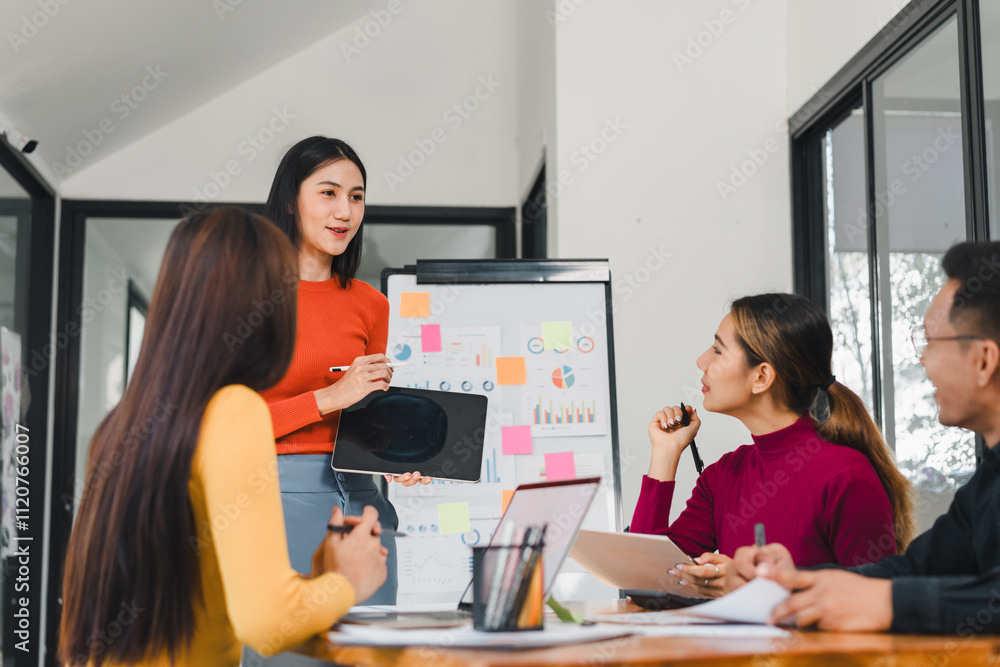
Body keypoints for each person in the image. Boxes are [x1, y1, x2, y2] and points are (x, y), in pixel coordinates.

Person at [58, 207, 387, 666]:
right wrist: (346, 581)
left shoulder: (122, 425)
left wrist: (315, 583)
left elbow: (204, 595)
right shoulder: (234, 411)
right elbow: (267, 623)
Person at [729, 242, 1000, 633]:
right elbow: (917, 569)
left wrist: (891, 603)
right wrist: (797, 580)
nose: (922, 358)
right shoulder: (988, 481)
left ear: (984, 361)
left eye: (930, 340)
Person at [630, 292, 914, 597]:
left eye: (718, 350)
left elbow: (874, 604)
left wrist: (754, 590)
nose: (702, 361)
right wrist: (665, 452)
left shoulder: (846, 476)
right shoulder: (722, 476)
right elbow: (644, 580)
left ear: (761, 377)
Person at [260, 136, 429, 605]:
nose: (345, 211)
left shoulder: (371, 305)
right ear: (290, 201)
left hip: (362, 503)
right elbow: (223, 428)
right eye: (328, 193)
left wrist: (397, 455)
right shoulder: (244, 299)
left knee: (372, 640)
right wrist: (331, 396)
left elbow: (363, 420)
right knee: (292, 641)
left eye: (356, 197)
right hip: (274, 499)